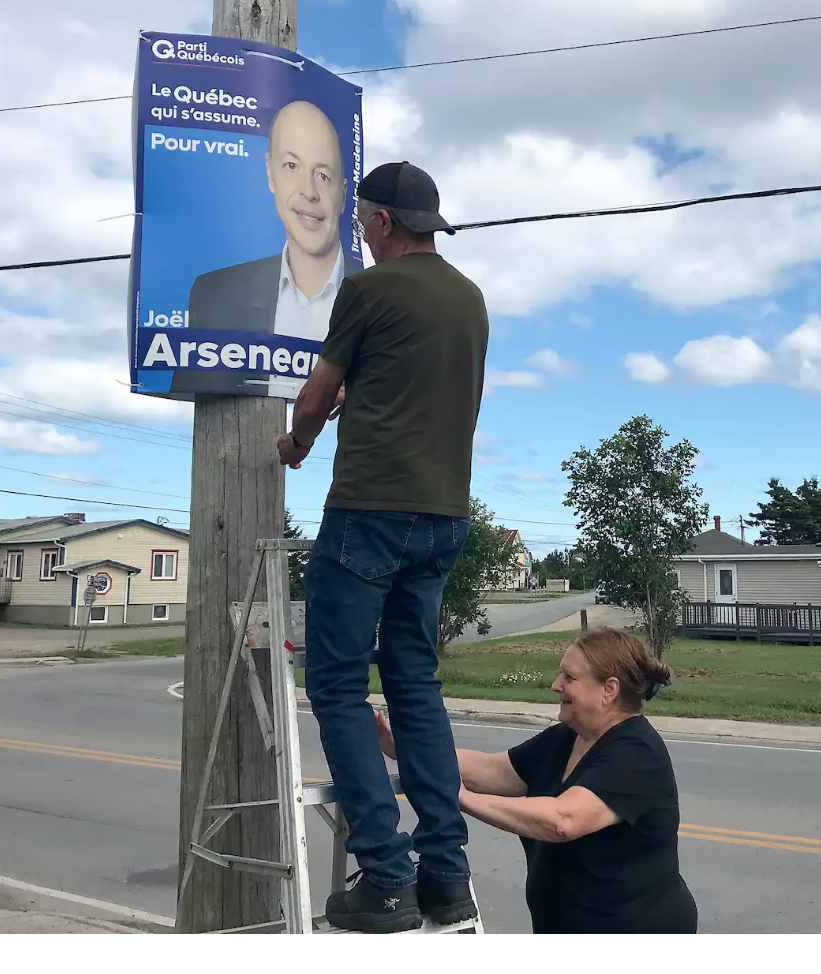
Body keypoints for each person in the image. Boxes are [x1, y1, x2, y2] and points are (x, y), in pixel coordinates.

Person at [275, 160, 484, 934]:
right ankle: (446, 876)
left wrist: (296, 442)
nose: (356, 226)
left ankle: (386, 876)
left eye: (362, 216)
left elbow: (316, 393)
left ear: (387, 222)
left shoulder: (368, 291)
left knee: (333, 683)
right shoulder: (470, 299)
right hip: (444, 516)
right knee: (415, 685)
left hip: (369, 510)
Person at [375, 628, 700, 934]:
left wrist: (461, 798)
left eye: (569, 677)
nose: (556, 685)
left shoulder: (636, 752)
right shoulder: (565, 739)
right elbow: (491, 770)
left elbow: (564, 819)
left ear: (609, 690)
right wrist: (408, 751)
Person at [169, 99, 357, 398]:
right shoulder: (215, 294)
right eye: (291, 166)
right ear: (271, 174)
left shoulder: (381, 302)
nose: (309, 191)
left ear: (343, 194)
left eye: (323, 175)